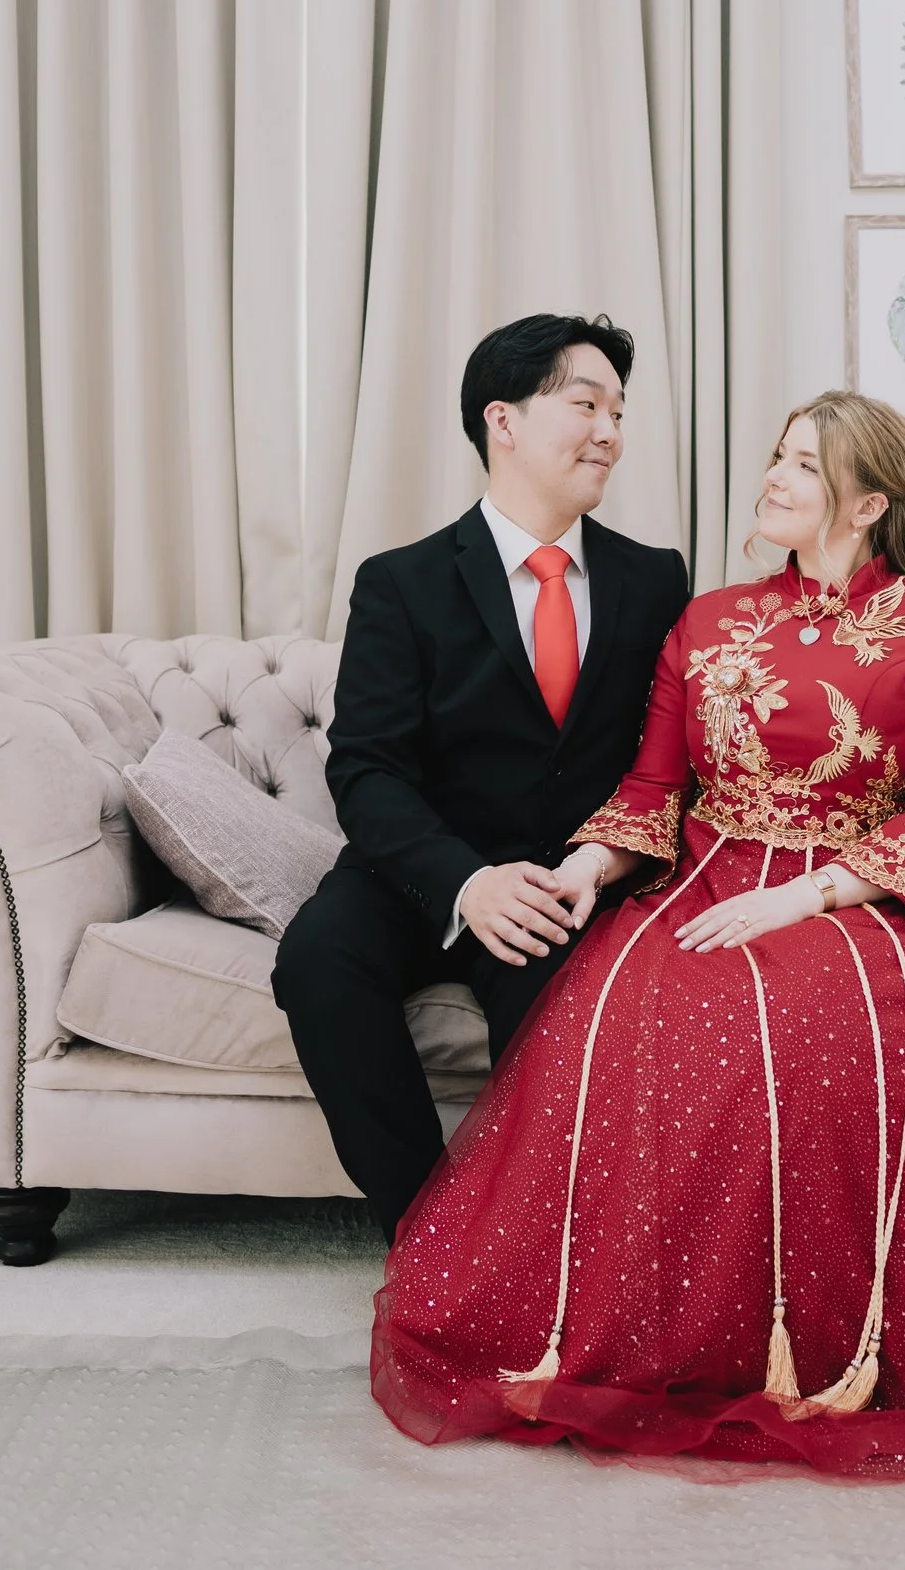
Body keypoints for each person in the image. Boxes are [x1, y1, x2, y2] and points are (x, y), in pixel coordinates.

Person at [370, 391, 905, 1480]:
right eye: (778, 455)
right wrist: (586, 865)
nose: (772, 475)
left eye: (805, 466)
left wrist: (807, 896)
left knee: (828, 1029)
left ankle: (832, 1345)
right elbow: (654, 789)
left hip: (863, 895)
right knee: (640, 1018)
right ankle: (668, 1341)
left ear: (867, 503)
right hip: (706, 881)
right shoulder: (707, 620)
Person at [274, 314, 691, 1243]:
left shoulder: (655, 580)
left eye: (619, 412)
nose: (610, 432)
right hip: (420, 871)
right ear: (502, 420)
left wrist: (588, 868)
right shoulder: (402, 582)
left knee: (563, 1009)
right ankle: (430, 1238)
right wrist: (466, 880)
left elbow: (667, 762)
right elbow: (367, 767)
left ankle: (542, 1247)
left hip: (565, 881)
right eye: (586, 405)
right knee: (318, 962)